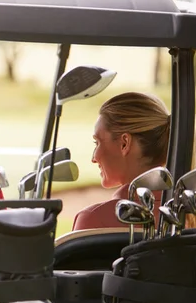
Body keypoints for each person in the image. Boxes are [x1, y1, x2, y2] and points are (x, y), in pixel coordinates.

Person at [72, 92, 170, 231]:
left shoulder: (93, 220)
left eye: (98, 142)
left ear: (124, 143)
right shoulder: (186, 214)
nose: (94, 158)